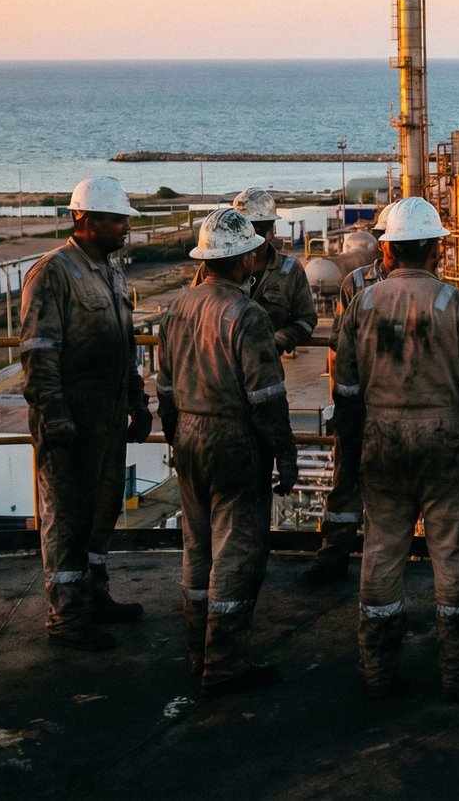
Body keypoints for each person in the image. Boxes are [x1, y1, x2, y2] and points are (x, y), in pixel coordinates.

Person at [332, 198, 459, 700]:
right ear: (436, 249)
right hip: (444, 443)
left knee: (382, 552)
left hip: (382, 441)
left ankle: (377, 669)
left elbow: (346, 393)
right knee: (453, 554)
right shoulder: (456, 305)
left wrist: (355, 451)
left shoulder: (363, 304)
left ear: (388, 250)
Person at [156, 208, 298, 697]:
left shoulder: (177, 308)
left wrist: (176, 436)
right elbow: (266, 398)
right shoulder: (248, 315)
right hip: (233, 440)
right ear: (245, 259)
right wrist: (285, 456)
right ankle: (224, 662)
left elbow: (165, 388)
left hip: (188, 436)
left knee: (196, 547)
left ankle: (197, 650)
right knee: (237, 550)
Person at [19, 176, 153, 651]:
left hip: (107, 419)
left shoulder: (110, 273)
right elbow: (39, 351)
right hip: (70, 421)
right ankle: (67, 618)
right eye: (117, 220)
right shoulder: (52, 273)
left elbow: (124, 345)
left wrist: (137, 401)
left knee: (100, 513)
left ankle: (96, 598)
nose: (125, 228)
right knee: (67, 518)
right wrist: (55, 415)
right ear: (87, 220)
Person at [301, 201, 397, 587]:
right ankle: (333, 555)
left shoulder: (429, 287)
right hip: (359, 403)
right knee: (346, 483)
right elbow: (339, 347)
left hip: (402, 406)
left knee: (395, 488)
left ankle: (390, 562)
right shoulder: (356, 283)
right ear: (380, 242)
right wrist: (339, 402)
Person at [221, 187, 317, 356]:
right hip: (222, 363)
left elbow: (306, 321)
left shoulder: (290, 271)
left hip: (264, 364)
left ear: (269, 233)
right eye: (240, 233)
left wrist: (280, 339)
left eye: (252, 234)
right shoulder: (217, 267)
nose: (245, 242)